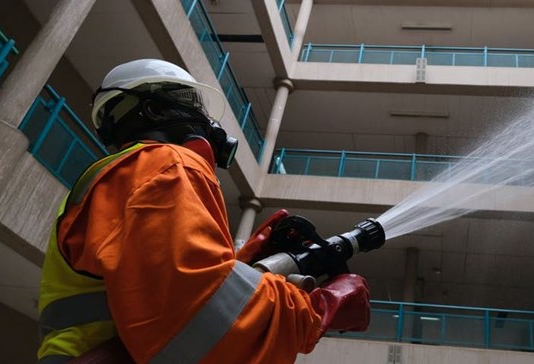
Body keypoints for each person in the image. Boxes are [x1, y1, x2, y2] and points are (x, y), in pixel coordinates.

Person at [37, 59, 371, 363]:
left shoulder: (119, 177)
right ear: (153, 110)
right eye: (189, 102)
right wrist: (320, 309)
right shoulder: (166, 165)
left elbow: (160, 292)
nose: (204, 118)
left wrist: (239, 268)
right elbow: (195, 322)